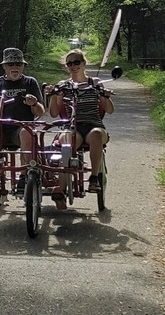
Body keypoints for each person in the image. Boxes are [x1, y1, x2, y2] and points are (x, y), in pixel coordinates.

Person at [0, 47, 45, 202]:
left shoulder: (30, 82)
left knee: (27, 132)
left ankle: (25, 177)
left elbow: (40, 112)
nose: (15, 67)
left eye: (18, 64)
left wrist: (34, 103)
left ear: (23, 66)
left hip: (20, 128)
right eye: (11, 64)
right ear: (4, 66)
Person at [46, 49, 114, 209]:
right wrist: (54, 96)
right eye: (69, 63)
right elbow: (54, 113)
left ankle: (94, 178)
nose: (73, 66)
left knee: (96, 134)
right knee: (68, 143)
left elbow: (110, 110)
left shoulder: (95, 83)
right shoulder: (63, 85)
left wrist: (105, 96)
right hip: (71, 127)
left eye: (77, 62)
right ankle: (60, 191)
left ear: (84, 64)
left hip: (94, 126)